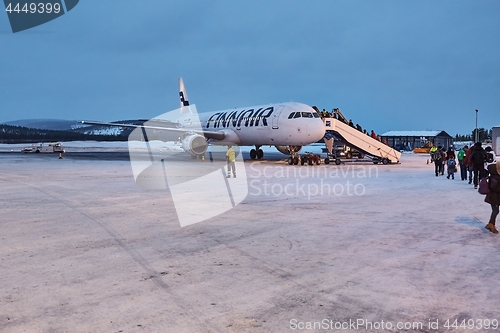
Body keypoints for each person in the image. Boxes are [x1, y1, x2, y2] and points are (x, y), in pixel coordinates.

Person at [484, 161, 500, 234]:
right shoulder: (495, 176)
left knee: (495, 210)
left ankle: (490, 224)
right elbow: (494, 187)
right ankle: (491, 224)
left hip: (496, 196)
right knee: (495, 210)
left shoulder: (496, 175)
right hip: (494, 197)